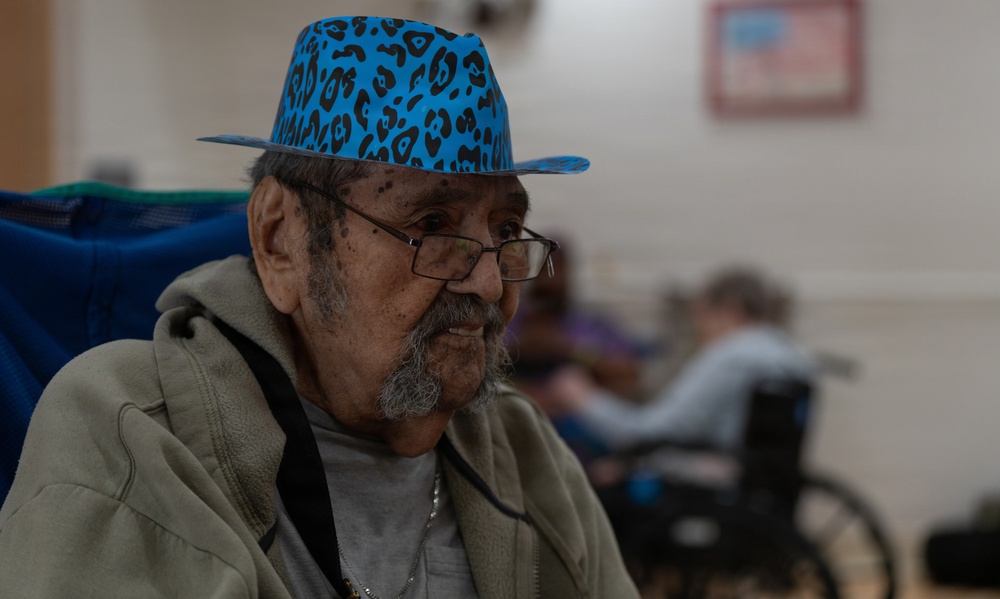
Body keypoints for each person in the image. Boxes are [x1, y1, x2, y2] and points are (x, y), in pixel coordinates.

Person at [0, 16, 639, 599]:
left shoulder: (526, 452)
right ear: (282, 240)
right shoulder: (128, 428)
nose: (487, 283)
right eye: (434, 223)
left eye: (504, 231)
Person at [548, 265, 817, 452]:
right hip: (753, 483)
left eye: (701, 319)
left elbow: (653, 433)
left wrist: (584, 400)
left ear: (730, 310)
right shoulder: (792, 356)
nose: (699, 332)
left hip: (710, 483)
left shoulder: (729, 355)